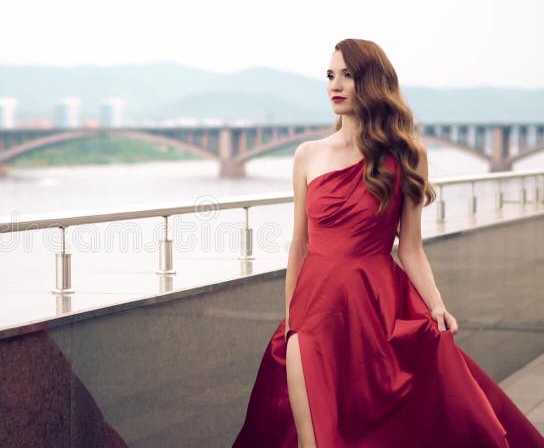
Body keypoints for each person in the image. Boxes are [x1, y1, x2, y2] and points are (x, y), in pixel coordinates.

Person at [232, 38, 544, 448]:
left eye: (349, 75)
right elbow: (299, 245)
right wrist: (292, 321)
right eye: (330, 75)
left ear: (373, 82)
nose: (335, 85)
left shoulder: (406, 157)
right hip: (314, 315)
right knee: (315, 438)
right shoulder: (307, 155)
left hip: (377, 314)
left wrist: (436, 306)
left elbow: (410, 248)